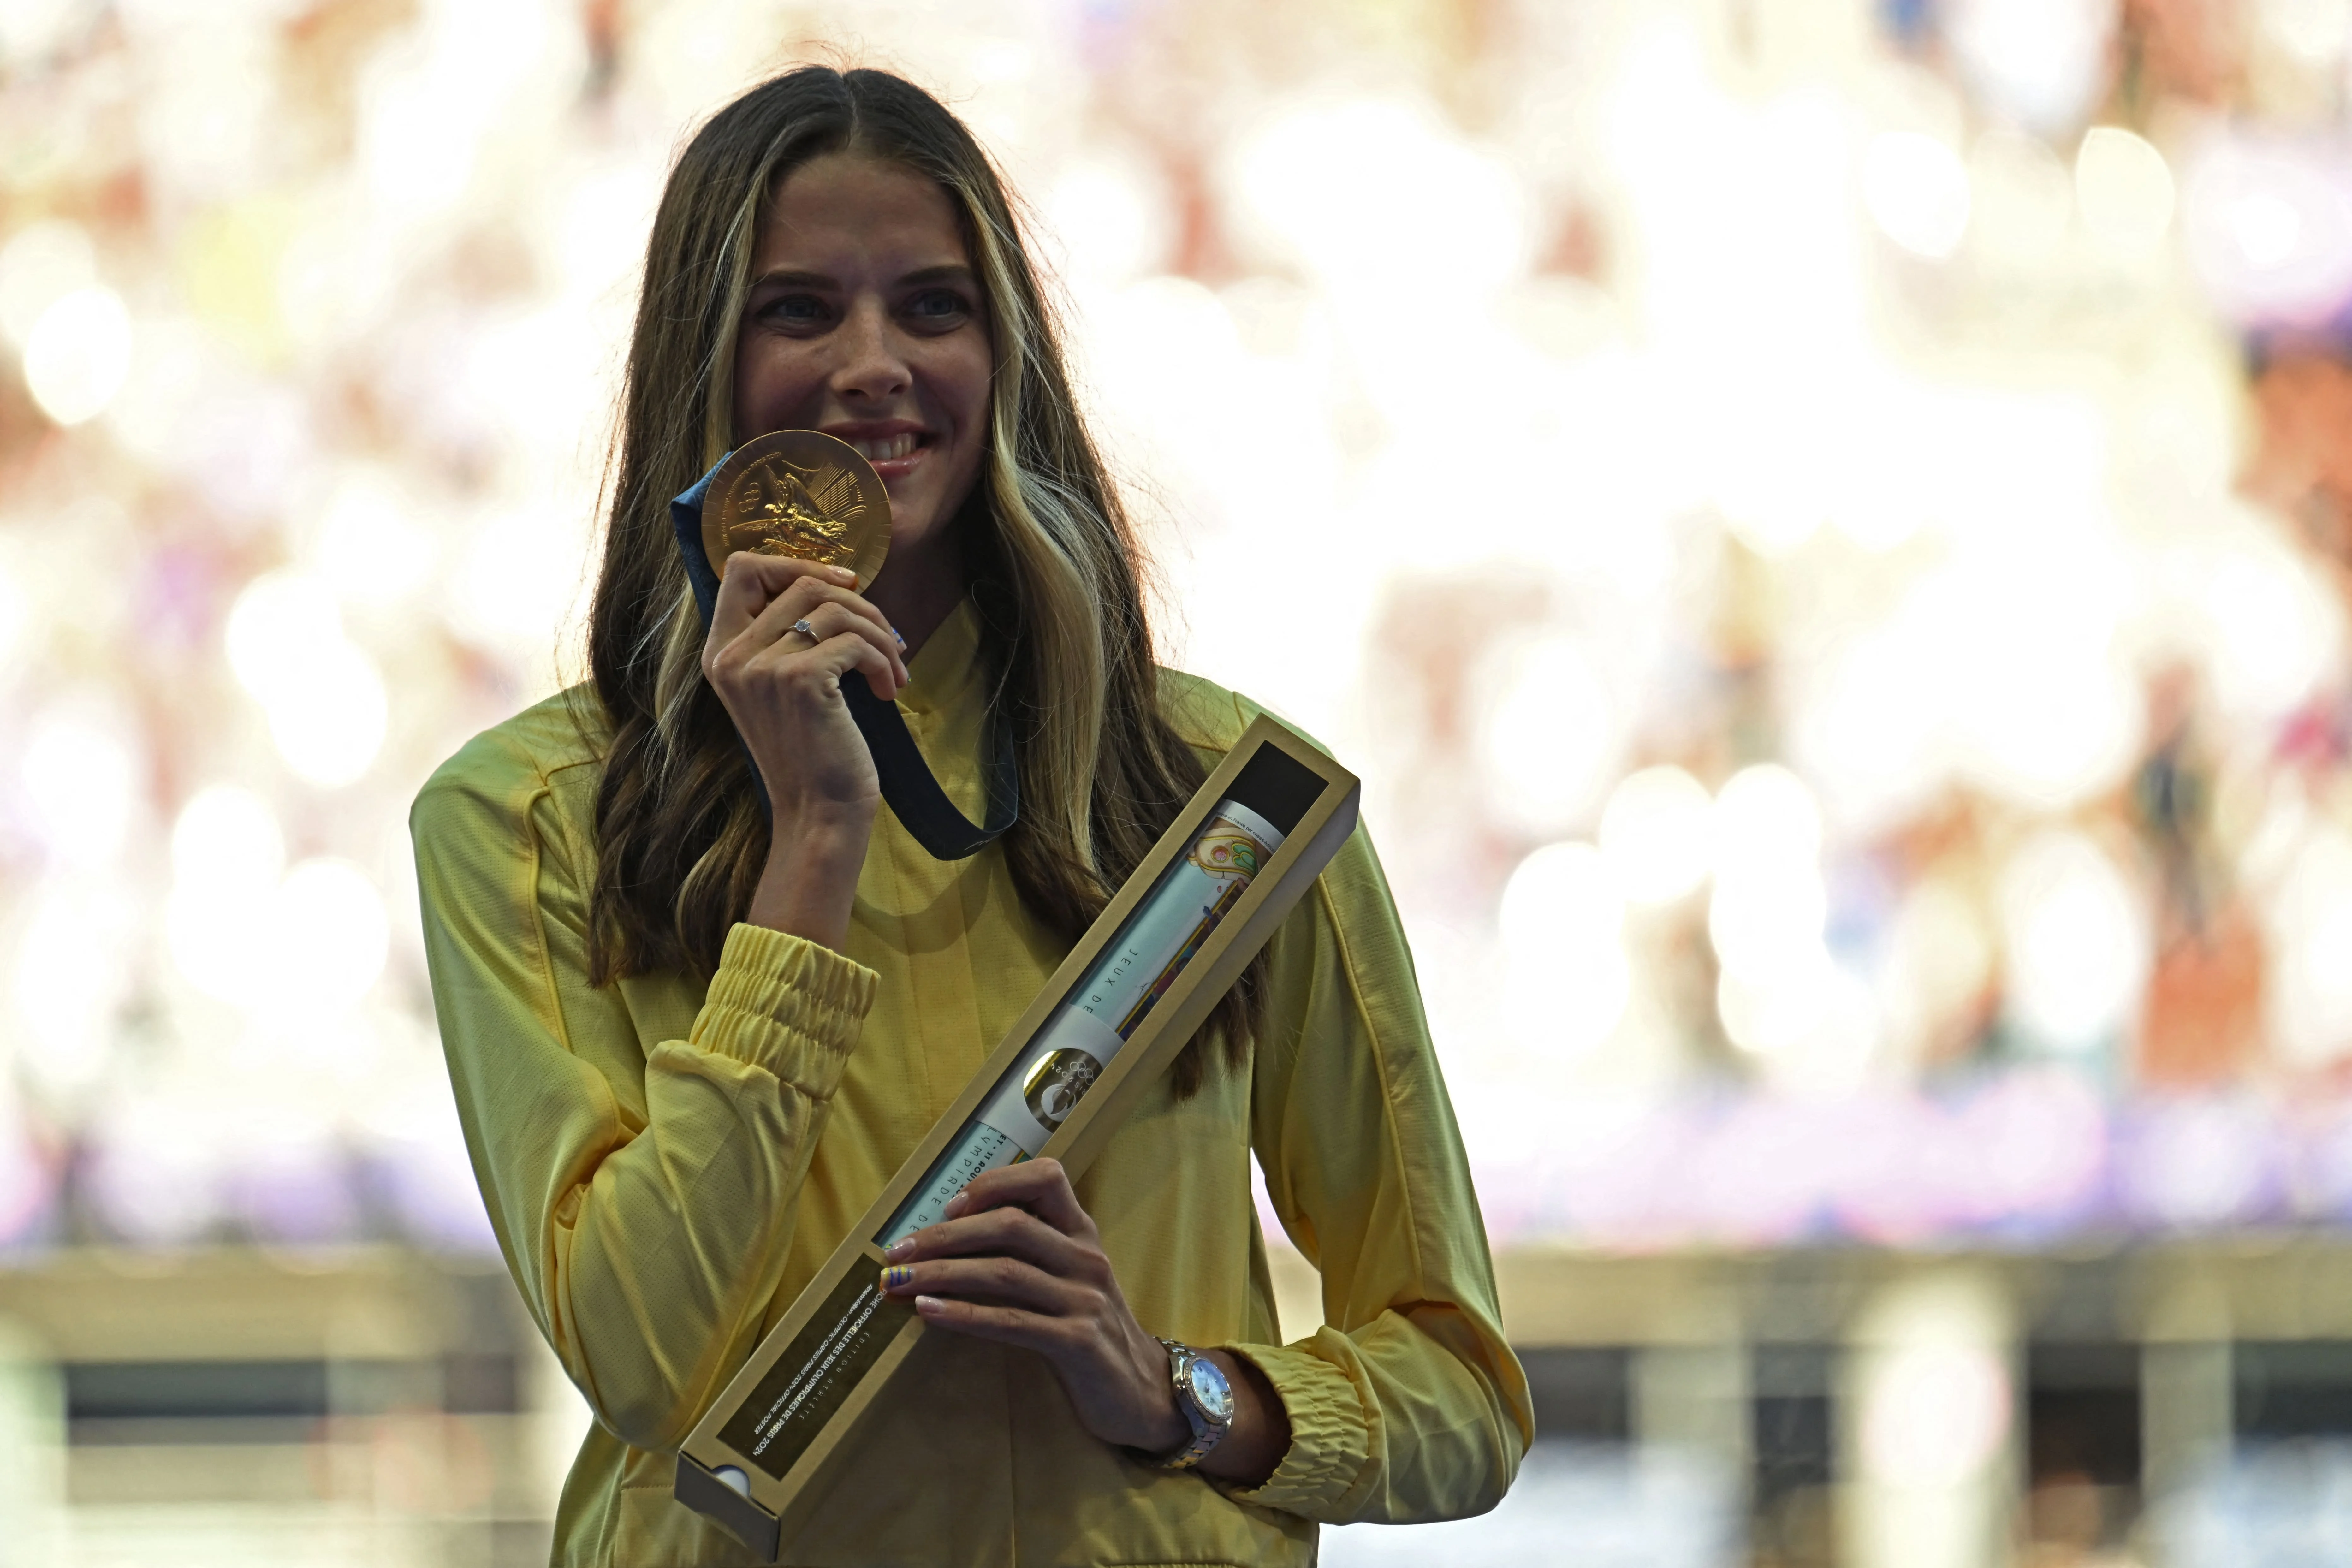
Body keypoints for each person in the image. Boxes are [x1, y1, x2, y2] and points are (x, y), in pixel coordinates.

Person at [412, 63, 1529, 1568]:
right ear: (703, 360)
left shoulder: (1228, 803)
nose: (875, 363)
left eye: (933, 307)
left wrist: (1174, 1389)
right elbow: (642, 1360)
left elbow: (1462, 1391)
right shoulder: (523, 820)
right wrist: (813, 840)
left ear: (1008, 359)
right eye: (799, 310)